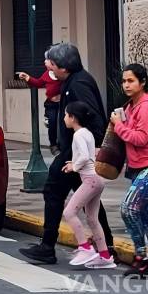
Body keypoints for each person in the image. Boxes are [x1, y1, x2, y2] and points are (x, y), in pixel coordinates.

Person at [20, 42, 113, 265]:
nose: (49, 68)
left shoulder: (78, 84)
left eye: (52, 64)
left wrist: (80, 153)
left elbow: (94, 120)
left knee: (53, 191)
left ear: (63, 66)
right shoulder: (73, 81)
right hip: (75, 152)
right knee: (89, 201)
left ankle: (48, 246)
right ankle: (105, 246)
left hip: (75, 153)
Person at [112, 63, 148, 277]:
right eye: (124, 81)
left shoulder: (146, 106)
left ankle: (141, 257)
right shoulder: (131, 106)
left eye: (131, 81)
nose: (126, 85)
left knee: (129, 208)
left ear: (142, 82)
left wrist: (118, 125)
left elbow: (140, 138)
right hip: (139, 167)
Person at [60, 102, 115, 269]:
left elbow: (84, 157)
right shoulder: (87, 133)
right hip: (96, 179)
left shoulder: (78, 135)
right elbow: (89, 156)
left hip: (90, 180)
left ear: (73, 118)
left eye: (65, 115)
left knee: (69, 212)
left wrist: (73, 166)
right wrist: (75, 162)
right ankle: (105, 256)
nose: (64, 118)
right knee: (92, 218)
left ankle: (85, 248)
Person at [17, 59, 62, 147]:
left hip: (62, 103)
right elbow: (38, 83)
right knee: (52, 122)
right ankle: (53, 144)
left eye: (48, 60)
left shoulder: (62, 74)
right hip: (51, 104)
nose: (45, 62)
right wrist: (27, 77)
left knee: (63, 124)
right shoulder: (46, 74)